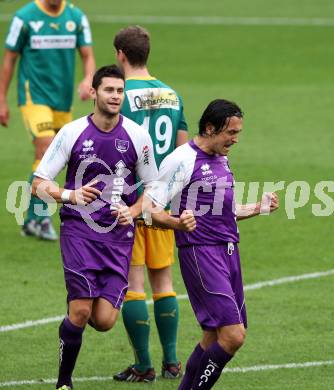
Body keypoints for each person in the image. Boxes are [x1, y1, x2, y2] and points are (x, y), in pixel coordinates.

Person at [31, 64, 194, 390]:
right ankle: (64, 382)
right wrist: (69, 195)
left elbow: (153, 188)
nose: (116, 96)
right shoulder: (73, 132)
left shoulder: (137, 136)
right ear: (93, 93)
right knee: (80, 311)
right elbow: (38, 183)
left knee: (104, 321)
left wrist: (134, 210)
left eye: (119, 91)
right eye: (109, 90)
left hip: (119, 237)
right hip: (79, 231)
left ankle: (80, 305)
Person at [146, 99, 279, 389]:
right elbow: (149, 210)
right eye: (230, 132)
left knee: (212, 337)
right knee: (233, 336)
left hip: (229, 252)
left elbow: (223, 211)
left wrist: (258, 207)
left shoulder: (221, 158)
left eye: (238, 132)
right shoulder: (182, 159)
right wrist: (177, 223)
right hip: (201, 253)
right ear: (210, 128)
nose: (235, 139)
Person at [112, 25, 188, 382]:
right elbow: (183, 150)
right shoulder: (173, 96)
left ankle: (144, 365)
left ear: (121, 55)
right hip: (163, 202)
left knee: (133, 284)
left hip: (128, 203)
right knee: (164, 281)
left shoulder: (118, 95)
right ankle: (172, 361)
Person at [0, 0, 96, 240]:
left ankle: (31, 220)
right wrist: (2, 99)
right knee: (45, 148)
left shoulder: (76, 17)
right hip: (34, 96)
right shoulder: (24, 18)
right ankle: (42, 218)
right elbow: (9, 59)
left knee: (53, 157)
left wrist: (88, 79)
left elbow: (88, 56)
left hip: (62, 100)